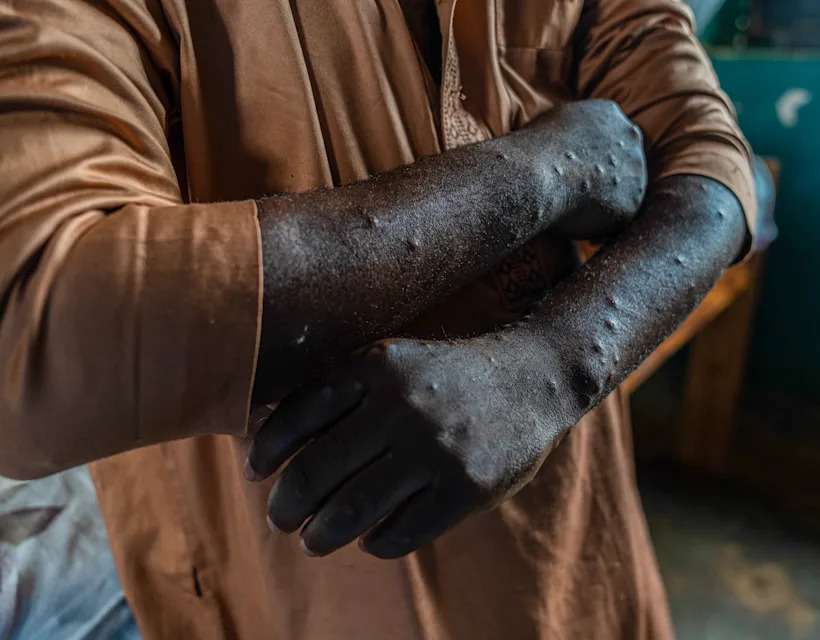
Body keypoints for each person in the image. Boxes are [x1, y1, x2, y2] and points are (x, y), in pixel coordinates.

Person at [0, 0, 756, 637]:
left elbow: (712, 171)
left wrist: (554, 366)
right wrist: (546, 169)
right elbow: (35, 324)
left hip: (574, 549)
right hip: (282, 587)